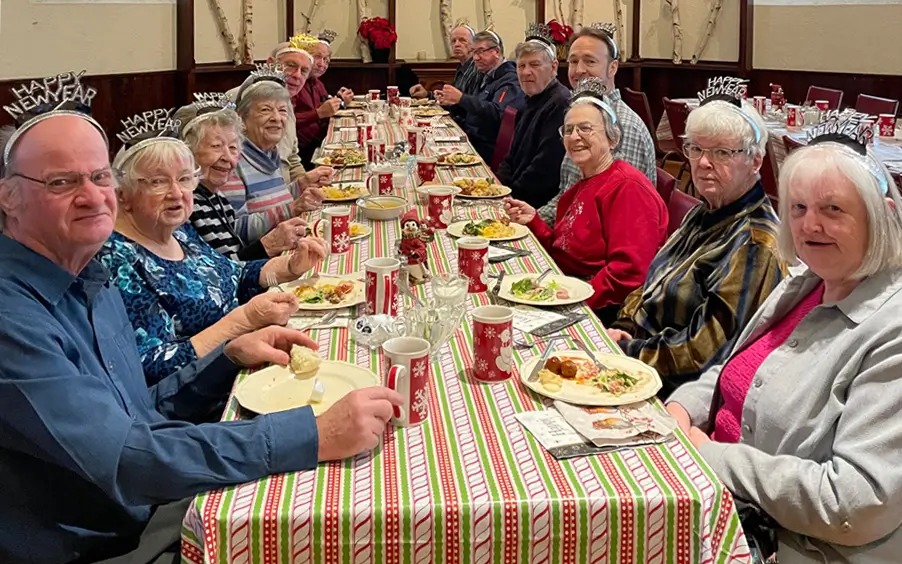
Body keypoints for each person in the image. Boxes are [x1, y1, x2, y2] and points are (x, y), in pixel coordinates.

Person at [0, 82, 402, 564]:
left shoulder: (89, 273)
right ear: (8, 197)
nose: (91, 196)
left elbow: (141, 411)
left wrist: (224, 359)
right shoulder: (13, 315)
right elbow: (127, 459)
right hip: (106, 543)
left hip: (152, 504)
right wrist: (312, 435)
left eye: (99, 176)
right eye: (61, 182)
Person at [666, 116, 902, 563]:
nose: (810, 225)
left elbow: (853, 503)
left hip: (785, 543)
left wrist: (710, 456)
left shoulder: (892, 331)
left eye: (833, 209)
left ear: (882, 215)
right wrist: (684, 407)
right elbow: (736, 365)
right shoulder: (806, 280)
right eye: (798, 208)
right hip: (711, 492)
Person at [98, 110, 328, 384]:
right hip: (206, 396)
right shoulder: (117, 260)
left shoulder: (178, 231)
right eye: (158, 182)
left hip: (246, 357)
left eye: (184, 179)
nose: (176, 193)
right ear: (123, 196)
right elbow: (151, 366)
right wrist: (243, 320)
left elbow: (233, 274)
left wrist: (288, 267)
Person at [606, 78, 786, 396]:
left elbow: (704, 352)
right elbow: (654, 283)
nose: (703, 163)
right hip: (640, 361)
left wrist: (628, 353)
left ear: (756, 161)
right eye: (696, 149)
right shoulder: (706, 211)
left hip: (673, 392)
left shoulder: (755, 244)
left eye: (721, 153)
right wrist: (624, 326)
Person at [505, 78, 667, 323]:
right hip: (567, 284)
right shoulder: (584, 183)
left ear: (613, 139)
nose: (574, 136)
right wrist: (535, 222)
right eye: (568, 130)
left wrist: (572, 302)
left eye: (586, 128)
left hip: (603, 307)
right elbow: (566, 250)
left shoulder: (627, 188)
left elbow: (629, 274)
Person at [536, 23, 657, 226]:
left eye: (590, 61)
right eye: (573, 61)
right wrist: (531, 220)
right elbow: (567, 198)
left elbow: (618, 218)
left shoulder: (623, 127)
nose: (579, 70)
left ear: (613, 67)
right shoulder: (581, 116)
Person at [175, 98, 310, 260]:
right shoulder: (185, 205)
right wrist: (268, 245)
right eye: (216, 146)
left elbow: (232, 259)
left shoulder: (217, 198)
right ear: (188, 153)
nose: (227, 157)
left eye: (233, 148)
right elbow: (215, 276)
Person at [221, 70, 331, 244]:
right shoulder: (232, 163)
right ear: (241, 119)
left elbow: (273, 201)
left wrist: (302, 184)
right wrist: (292, 208)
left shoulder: (268, 152)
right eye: (265, 110)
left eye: (282, 110)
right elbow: (235, 229)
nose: (277, 118)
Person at [495, 25, 571, 208]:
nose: (526, 72)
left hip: (535, 207)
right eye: (521, 66)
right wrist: (497, 189)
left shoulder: (561, 104)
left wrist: (508, 198)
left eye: (534, 65)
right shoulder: (529, 99)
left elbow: (543, 171)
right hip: (514, 196)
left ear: (553, 67)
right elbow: (511, 157)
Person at [225, 38, 315, 183]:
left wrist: (305, 184)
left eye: (304, 71)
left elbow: (292, 160)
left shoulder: (286, 103)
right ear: (270, 63)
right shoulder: (237, 98)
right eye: (290, 65)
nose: (297, 75)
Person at [435, 29, 525, 162]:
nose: (476, 58)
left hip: (485, 150)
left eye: (481, 52)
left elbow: (497, 112)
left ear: (497, 52)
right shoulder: (486, 74)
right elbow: (472, 109)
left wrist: (461, 98)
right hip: (471, 139)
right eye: (474, 52)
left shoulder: (509, 79)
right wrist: (452, 103)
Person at [295, 30, 356, 167]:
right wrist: (318, 113)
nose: (322, 65)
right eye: (318, 57)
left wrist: (340, 100)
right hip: (303, 154)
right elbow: (287, 121)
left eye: (327, 61)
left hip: (321, 143)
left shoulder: (316, 82)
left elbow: (323, 108)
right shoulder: (294, 84)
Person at [409, 21, 480, 99]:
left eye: (462, 40)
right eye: (453, 41)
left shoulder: (477, 68)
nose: (457, 44)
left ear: (474, 44)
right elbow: (451, 98)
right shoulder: (461, 67)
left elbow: (469, 103)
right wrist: (427, 94)